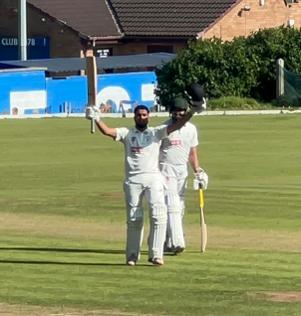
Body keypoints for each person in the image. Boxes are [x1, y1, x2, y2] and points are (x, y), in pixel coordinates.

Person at [85, 103, 201, 266]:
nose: (142, 117)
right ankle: (132, 256)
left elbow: (178, 125)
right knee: (134, 219)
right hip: (133, 180)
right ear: (135, 117)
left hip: (154, 178)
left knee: (158, 215)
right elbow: (107, 131)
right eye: (139, 115)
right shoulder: (127, 133)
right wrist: (97, 118)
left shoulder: (156, 133)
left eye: (144, 115)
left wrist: (192, 111)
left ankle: (156, 255)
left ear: (148, 117)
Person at [159, 96, 209, 255]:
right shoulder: (163, 129)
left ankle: (167, 240)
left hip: (182, 170)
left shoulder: (191, 129)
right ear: (170, 112)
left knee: (179, 206)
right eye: (176, 111)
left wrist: (198, 171)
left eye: (181, 111)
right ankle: (177, 241)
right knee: (172, 204)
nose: (178, 114)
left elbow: (192, 153)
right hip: (166, 168)